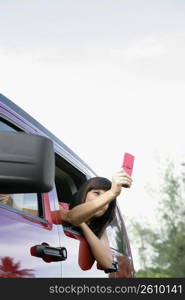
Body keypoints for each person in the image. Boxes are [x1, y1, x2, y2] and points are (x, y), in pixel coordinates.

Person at [53, 169, 133, 273]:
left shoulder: (99, 228)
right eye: (97, 193)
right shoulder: (60, 207)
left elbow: (107, 263)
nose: (103, 202)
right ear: (84, 193)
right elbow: (71, 216)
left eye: (107, 199)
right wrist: (112, 192)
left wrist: (83, 224)